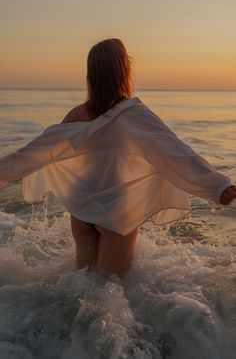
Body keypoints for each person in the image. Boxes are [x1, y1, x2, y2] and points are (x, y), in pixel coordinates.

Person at [0, 38, 235, 277]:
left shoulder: (77, 114)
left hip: (81, 209)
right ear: (124, 70)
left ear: (91, 74)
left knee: (80, 285)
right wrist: (217, 186)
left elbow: (35, 152)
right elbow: (174, 152)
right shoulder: (133, 113)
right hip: (115, 211)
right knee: (110, 290)